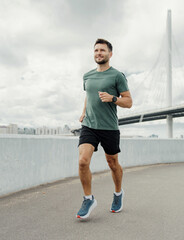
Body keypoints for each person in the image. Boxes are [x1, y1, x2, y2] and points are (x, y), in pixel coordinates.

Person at [76, 38, 132, 219]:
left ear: (110, 54)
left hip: (109, 127)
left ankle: (118, 194)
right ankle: (88, 198)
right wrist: (84, 111)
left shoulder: (117, 76)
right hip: (89, 125)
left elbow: (129, 102)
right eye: (96, 50)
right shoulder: (87, 76)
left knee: (112, 164)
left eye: (102, 50)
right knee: (83, 161)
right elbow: (88, 96)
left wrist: (113, 98)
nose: (98, 53)